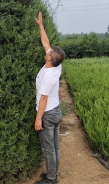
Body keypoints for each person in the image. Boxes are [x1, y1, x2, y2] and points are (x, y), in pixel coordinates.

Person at [34, 12, 66, 184]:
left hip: (47, 113)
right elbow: (45, 42)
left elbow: (43, 100)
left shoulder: (49, 76)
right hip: (56, 111)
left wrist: (38, 119)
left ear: (49, 58)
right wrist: (41, 25)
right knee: (55, 147)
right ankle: (52, 175)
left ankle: (51, 179)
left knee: (49, 149)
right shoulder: (55, 64)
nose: (49, 48)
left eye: (50, 51)